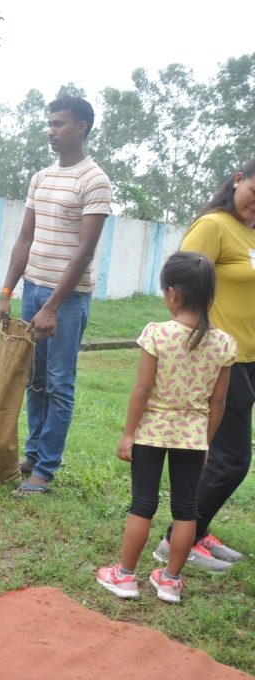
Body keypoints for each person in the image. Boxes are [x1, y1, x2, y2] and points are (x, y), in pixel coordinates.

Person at [96, 252, 234, 603]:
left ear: (173, 294)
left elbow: (142, 389)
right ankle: (170, 580)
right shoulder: (223, 344)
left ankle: (125, 576)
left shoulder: (157, 334)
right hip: (193, 437)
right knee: (186, 510)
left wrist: (129, 433)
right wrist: (206, 442)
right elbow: (217, 403)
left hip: (151, 433)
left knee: (142, 504)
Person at [0, 96, 112, 495]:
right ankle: (31, 455)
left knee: (59, 383)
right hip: (31, 291)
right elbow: (25, 239)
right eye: (50, 123)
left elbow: (85, 251)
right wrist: (7, 292)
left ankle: (44, 469)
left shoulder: (94, 180)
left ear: (81, 126)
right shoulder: (41, 177)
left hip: (68, 299)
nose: (51, 130)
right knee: (35, 379)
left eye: (59, 123)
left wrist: (52, 307)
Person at [151, 158, 255, 572]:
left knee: (216, 457)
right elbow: (181, 281)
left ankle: (198, 528)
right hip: (220, 359)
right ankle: (175, 541)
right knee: (232, 460)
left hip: (248, 357)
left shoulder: (249, 232)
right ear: (237, 180)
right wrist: (192, 344)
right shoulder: (213, 225)